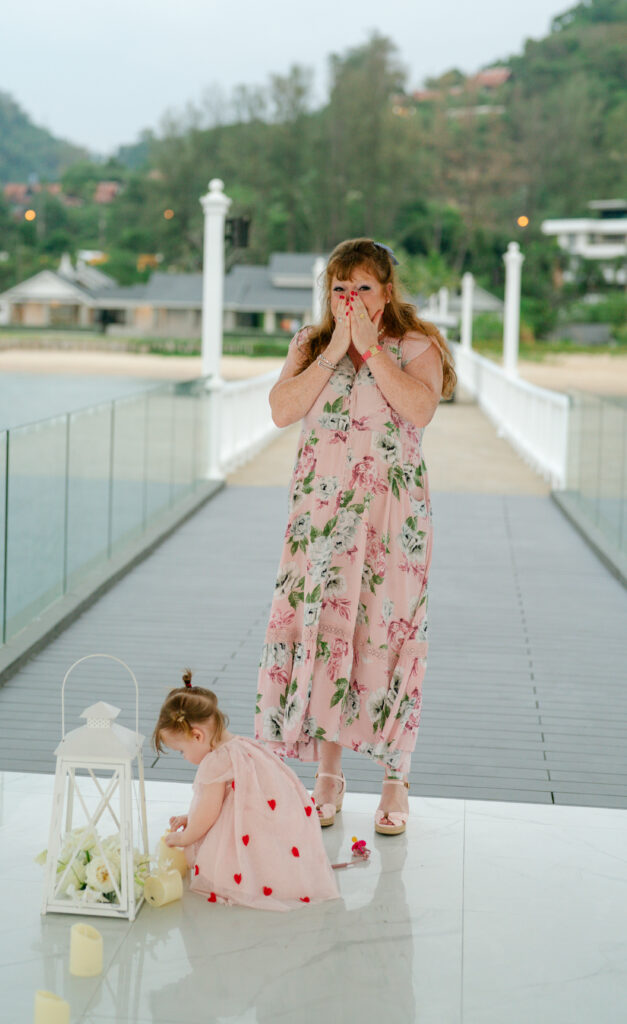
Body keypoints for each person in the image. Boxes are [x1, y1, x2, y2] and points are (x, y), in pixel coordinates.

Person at [255, 238, 456, 836]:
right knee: (325, 631)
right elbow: (281, 410)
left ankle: (396, 778)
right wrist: (334, 350)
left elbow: (419, 411)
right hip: (321, 517)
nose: (350, 298)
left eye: (363, 287)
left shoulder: (417, 346)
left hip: (392, 519)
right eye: (340, 288)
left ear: (386, 292)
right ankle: (328, 775)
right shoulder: (309, 344)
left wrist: (369, 348)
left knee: (388, 630)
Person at [153, 671, 339, 911]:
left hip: (249, 833)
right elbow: (226, 802)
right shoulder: (242, 745)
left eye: (181, 751)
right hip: (269, 829)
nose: (184, 757)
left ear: (197, 736)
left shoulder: (215, 762)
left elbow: (209, 812)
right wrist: (191, 816)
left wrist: (184, 837)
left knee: (211, 857)